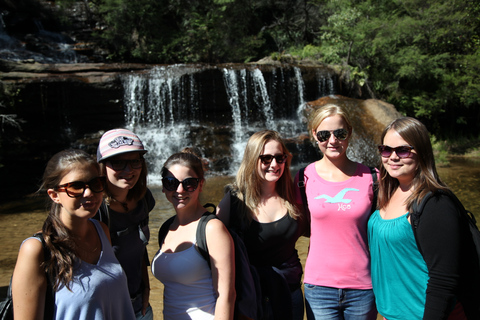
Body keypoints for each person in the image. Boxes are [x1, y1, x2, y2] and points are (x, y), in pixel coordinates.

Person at [367, 117, 480, 320]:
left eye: (402, 150)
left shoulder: (435, 203)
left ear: (422, 152)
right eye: (386, 149)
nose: (392, 157)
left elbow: (443, 281)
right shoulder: (387, 193)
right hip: (392, 315)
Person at [12, 149, 135, 319]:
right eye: (76, 186)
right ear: (54, 195)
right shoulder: (36, 249)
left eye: (96, 184)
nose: (89, 193)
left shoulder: (101, 230)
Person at [294, 104, 377, 320]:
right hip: (318, 288)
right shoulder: (303, 178)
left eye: (339, 133)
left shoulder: (373, 177)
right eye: (324, 135)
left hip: (363, 286)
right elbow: (300, 227)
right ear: (314, 135)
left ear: (349, 132)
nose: (333, 141)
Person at [217, 129, 308, 320]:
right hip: (250, 299)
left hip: (290, 295)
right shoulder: (234, 201)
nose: (274, 164)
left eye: (279, 158)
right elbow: (212, 247)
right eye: (266, 159)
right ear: (252, 160)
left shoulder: (295, 196)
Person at [151, 152, 236, 320]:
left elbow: (227, 296)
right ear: (163, 186)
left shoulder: (212, 229)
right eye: (171, 183)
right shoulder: (167, 228)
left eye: (189, 183)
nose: (179, 190)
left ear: (201, 184)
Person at [95, 128, 155, 319]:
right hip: (107, 311)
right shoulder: (93, 210)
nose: (128, 170)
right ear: (102, 166)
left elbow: (139, 248)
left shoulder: (145, 200)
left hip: (140, 307)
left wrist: (146, 287)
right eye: (118, 162)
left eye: (135, 161)